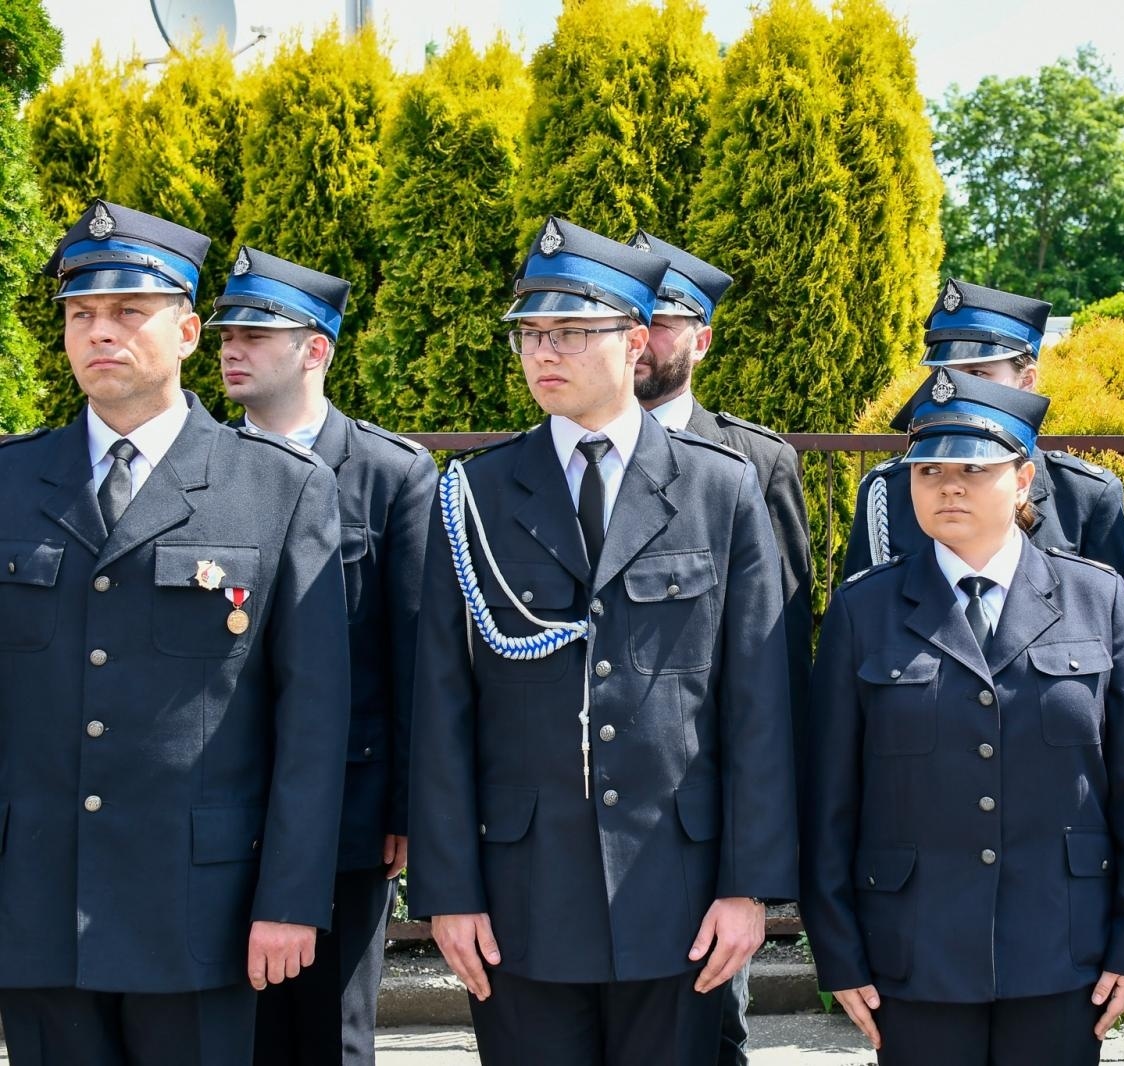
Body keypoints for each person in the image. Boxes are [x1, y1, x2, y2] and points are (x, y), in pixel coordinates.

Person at [406, 217, 798, 1066]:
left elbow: (757, 702)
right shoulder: (474, 491)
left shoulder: (719, 488)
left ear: (632, 340)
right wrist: (447, 891)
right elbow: (439, 705)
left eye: (573, 333)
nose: (545, 352)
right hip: (521, 897)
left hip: (681, 891)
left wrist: (748, 886)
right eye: (533, 333)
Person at [0, 199, 350, 1065]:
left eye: (128, 312)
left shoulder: (278, 489)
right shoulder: (10, 481)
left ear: (190, 332)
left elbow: (312, 721)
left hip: (200, 910)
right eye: (81, 315)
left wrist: (292, 899)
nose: (99, 332)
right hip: (36, 902)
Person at [803, 368, 1124, 1066]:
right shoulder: (864, 611)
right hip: (914, 952)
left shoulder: (1097, 599)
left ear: (1024, 478)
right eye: (929, 468)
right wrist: (840, 955)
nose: (948, 486)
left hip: (1065, 952)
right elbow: (829, 801)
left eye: (974, 468)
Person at [206, 246, 438, 1066]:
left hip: (348, 804)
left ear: (317, 349)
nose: (232, 348)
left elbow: (415, 656)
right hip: (214, 808)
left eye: (258, 334)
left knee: (331, 1037)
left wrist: (408, 810)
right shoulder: (198, 467)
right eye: (228, 332)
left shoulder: (390, 472)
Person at [627, 228, 813, 1066]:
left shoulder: (753, 461)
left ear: (702, 338)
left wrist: (764, 844)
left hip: (703, 824)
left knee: (711, 1029)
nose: (644, 336)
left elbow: (776, 665)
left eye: (664, 320)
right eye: (634, 316)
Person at [842, 279, 1124, 591]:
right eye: (942, 375)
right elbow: (864, 619)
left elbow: (1108, 622)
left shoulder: (1085, 496)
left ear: (1027, 380)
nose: (957, 390)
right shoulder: (888, 490)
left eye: (979, 374)